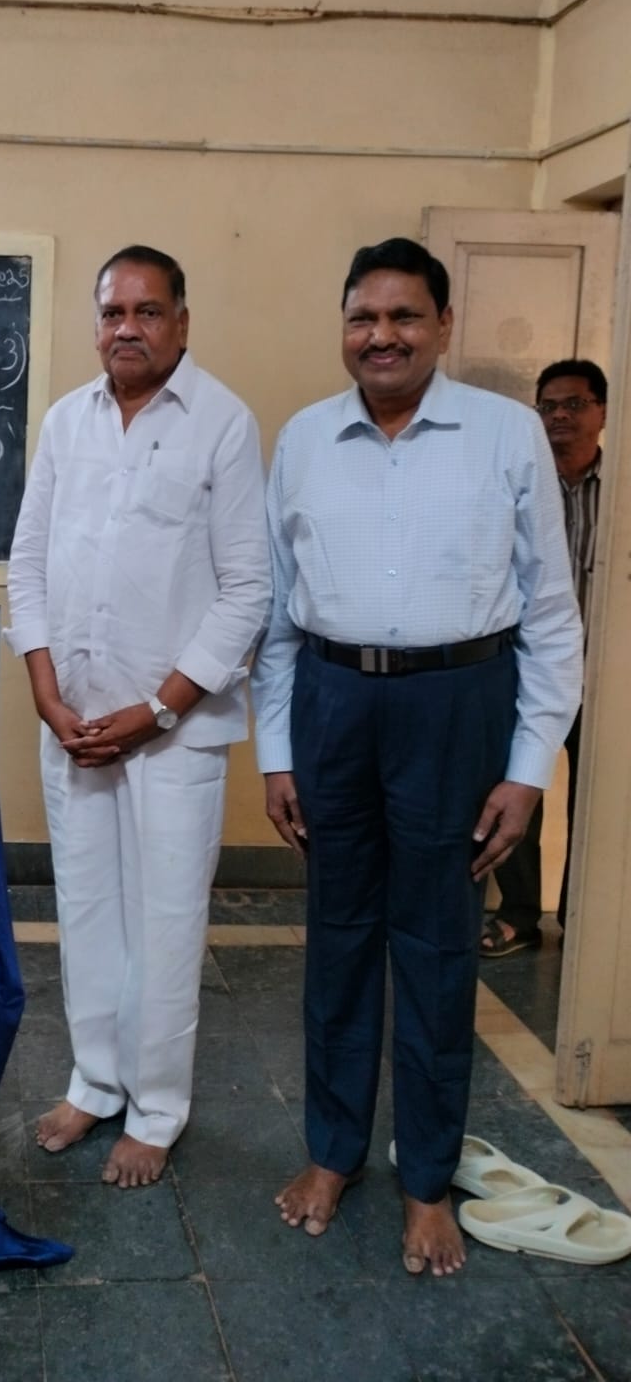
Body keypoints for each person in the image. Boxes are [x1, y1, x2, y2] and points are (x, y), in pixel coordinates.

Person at [251, 237, 582, 1276]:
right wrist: (277, 753)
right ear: (344, 328)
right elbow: (276, 614)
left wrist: (528, 767)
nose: (382, 335)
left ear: (443, 325)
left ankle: (428, 1179)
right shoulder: (305, 438)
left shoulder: (504, 433)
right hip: (334, 701)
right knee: (339, 940)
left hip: (457, 704)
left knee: (439, 949)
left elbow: (551, 613)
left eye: (404, 316)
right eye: (364, 317)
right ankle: (333, 1151)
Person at [6, 244, 271, 1188]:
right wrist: (45, 691)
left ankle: (156, 1109)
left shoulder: (223, 424)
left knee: (164, 922)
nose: (127, 328)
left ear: (181, 323)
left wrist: (158, 710)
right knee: (86, 912)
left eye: (147, 311)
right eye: (113, 312)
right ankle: (95, 1081)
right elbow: (27, 562)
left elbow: (247, 590)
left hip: (174, 734)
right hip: (75, 725)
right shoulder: (66, 422)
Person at [482, 359, 606, 955]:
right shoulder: (522, 483)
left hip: (605, 675)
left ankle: (584, 916)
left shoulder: (621, 491)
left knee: (598, 800)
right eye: (548, 406)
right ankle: (519, 915)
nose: (559, 416)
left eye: (574, 404)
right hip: (526, 666)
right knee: (519, 784)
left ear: (602, 412)